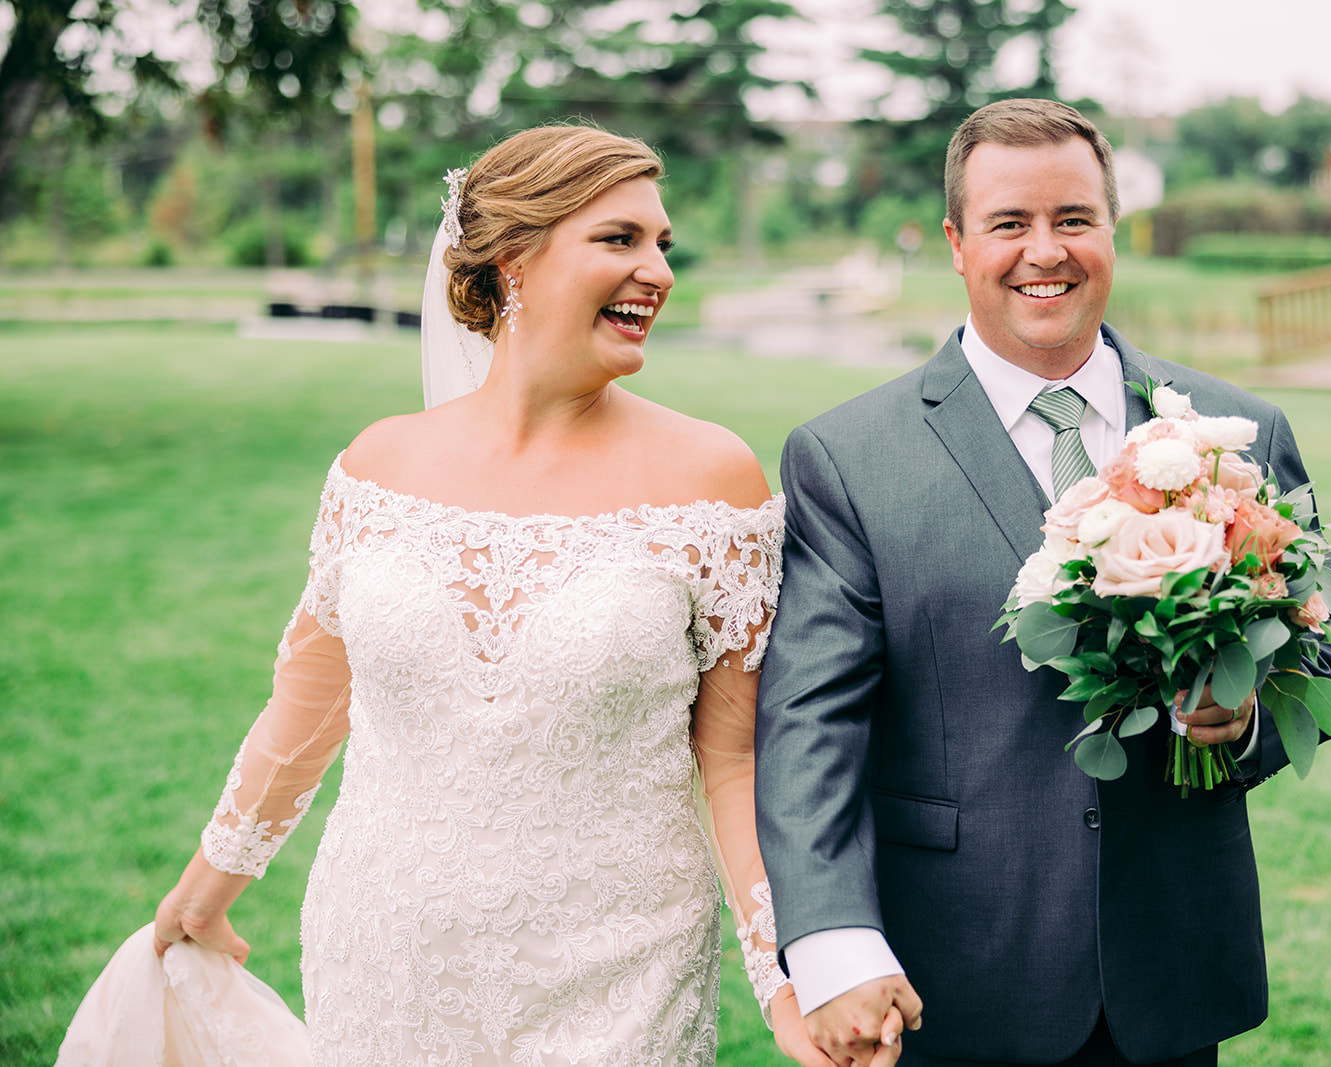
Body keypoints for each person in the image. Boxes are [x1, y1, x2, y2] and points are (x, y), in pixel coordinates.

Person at [60, 124, 831, 1067]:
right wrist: (205, 890)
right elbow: (306, 709)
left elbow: (736, 761)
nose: (659, 271)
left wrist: (785, 979)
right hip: (385, 951)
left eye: (662, 243)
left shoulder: (712, 480)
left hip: (618, 967)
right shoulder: (378, 465)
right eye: (620, 239)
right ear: (515, 257)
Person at [753, 99, 1331, 1067]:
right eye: (1010, 223)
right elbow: (809, 723)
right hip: (952, 972)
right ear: (958, 244)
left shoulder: (1231, 429)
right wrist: (833, 944)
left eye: (1073, 219)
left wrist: (1244, 713)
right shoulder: (847, 459)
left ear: (1110, 232)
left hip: (1167, 966)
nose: (1045, 250)